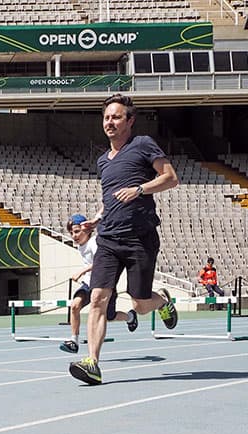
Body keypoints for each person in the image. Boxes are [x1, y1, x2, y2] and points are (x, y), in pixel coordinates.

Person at [70, 93, 180, 385]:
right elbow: (110, 199)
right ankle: (92, 362)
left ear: (130, 121)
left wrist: (140, 190)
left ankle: (163, 302)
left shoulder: (143, 145)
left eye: (116, 117)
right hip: (108, 239)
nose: (110, 122)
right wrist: (97, 218)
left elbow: (171, 177)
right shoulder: (103, 161)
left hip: (139, 238)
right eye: (107, 117)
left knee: (141, 304)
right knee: (97, 298)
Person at [60, 213, 137, 354]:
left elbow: (100, 263)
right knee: (75, 306)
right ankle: (73, 341)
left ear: (88, 230)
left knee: (110, 317)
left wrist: (82, 271)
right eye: (71, 233)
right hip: (89, 283)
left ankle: (130, 317)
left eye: (77, 231)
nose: (74, 236)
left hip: (103, 284)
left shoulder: (94, 243)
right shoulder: (81, 246)